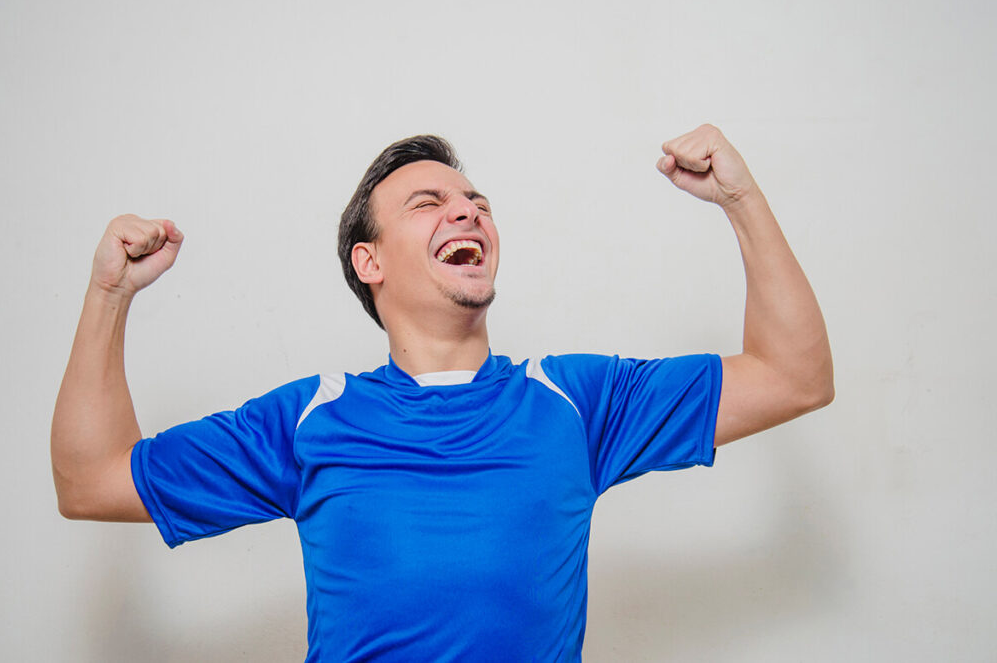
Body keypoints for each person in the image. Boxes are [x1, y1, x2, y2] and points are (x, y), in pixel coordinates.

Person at [51, 124, 833, 661]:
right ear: (370, 263)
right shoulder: (308, 422)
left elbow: (793, 375)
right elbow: (91, 481)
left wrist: (742, 199)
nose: (467, 209)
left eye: (476, 203)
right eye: (427, 203)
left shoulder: (576, 401)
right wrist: (108, 294)